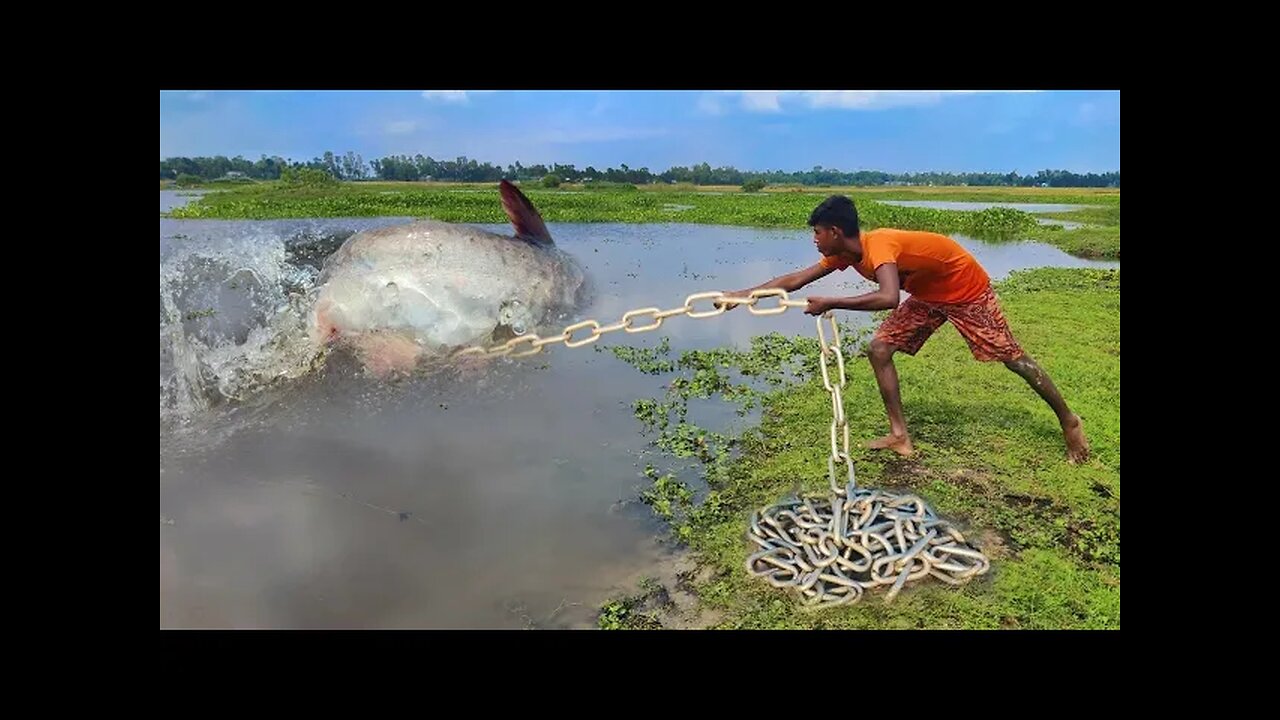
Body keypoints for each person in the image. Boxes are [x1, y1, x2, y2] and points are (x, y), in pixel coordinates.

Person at [722, 194, 1089, 464]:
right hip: (929, 295)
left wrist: (833, 301)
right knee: (879, 349)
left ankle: (1070, 422)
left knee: (1012, 358)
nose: (815, 240)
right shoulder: (842, 255)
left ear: (835, 231)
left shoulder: (879, 245)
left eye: (817, 233)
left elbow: (888, 297)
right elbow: (797, 278)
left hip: (966, 289)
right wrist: (740, 295)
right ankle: (900, 436)